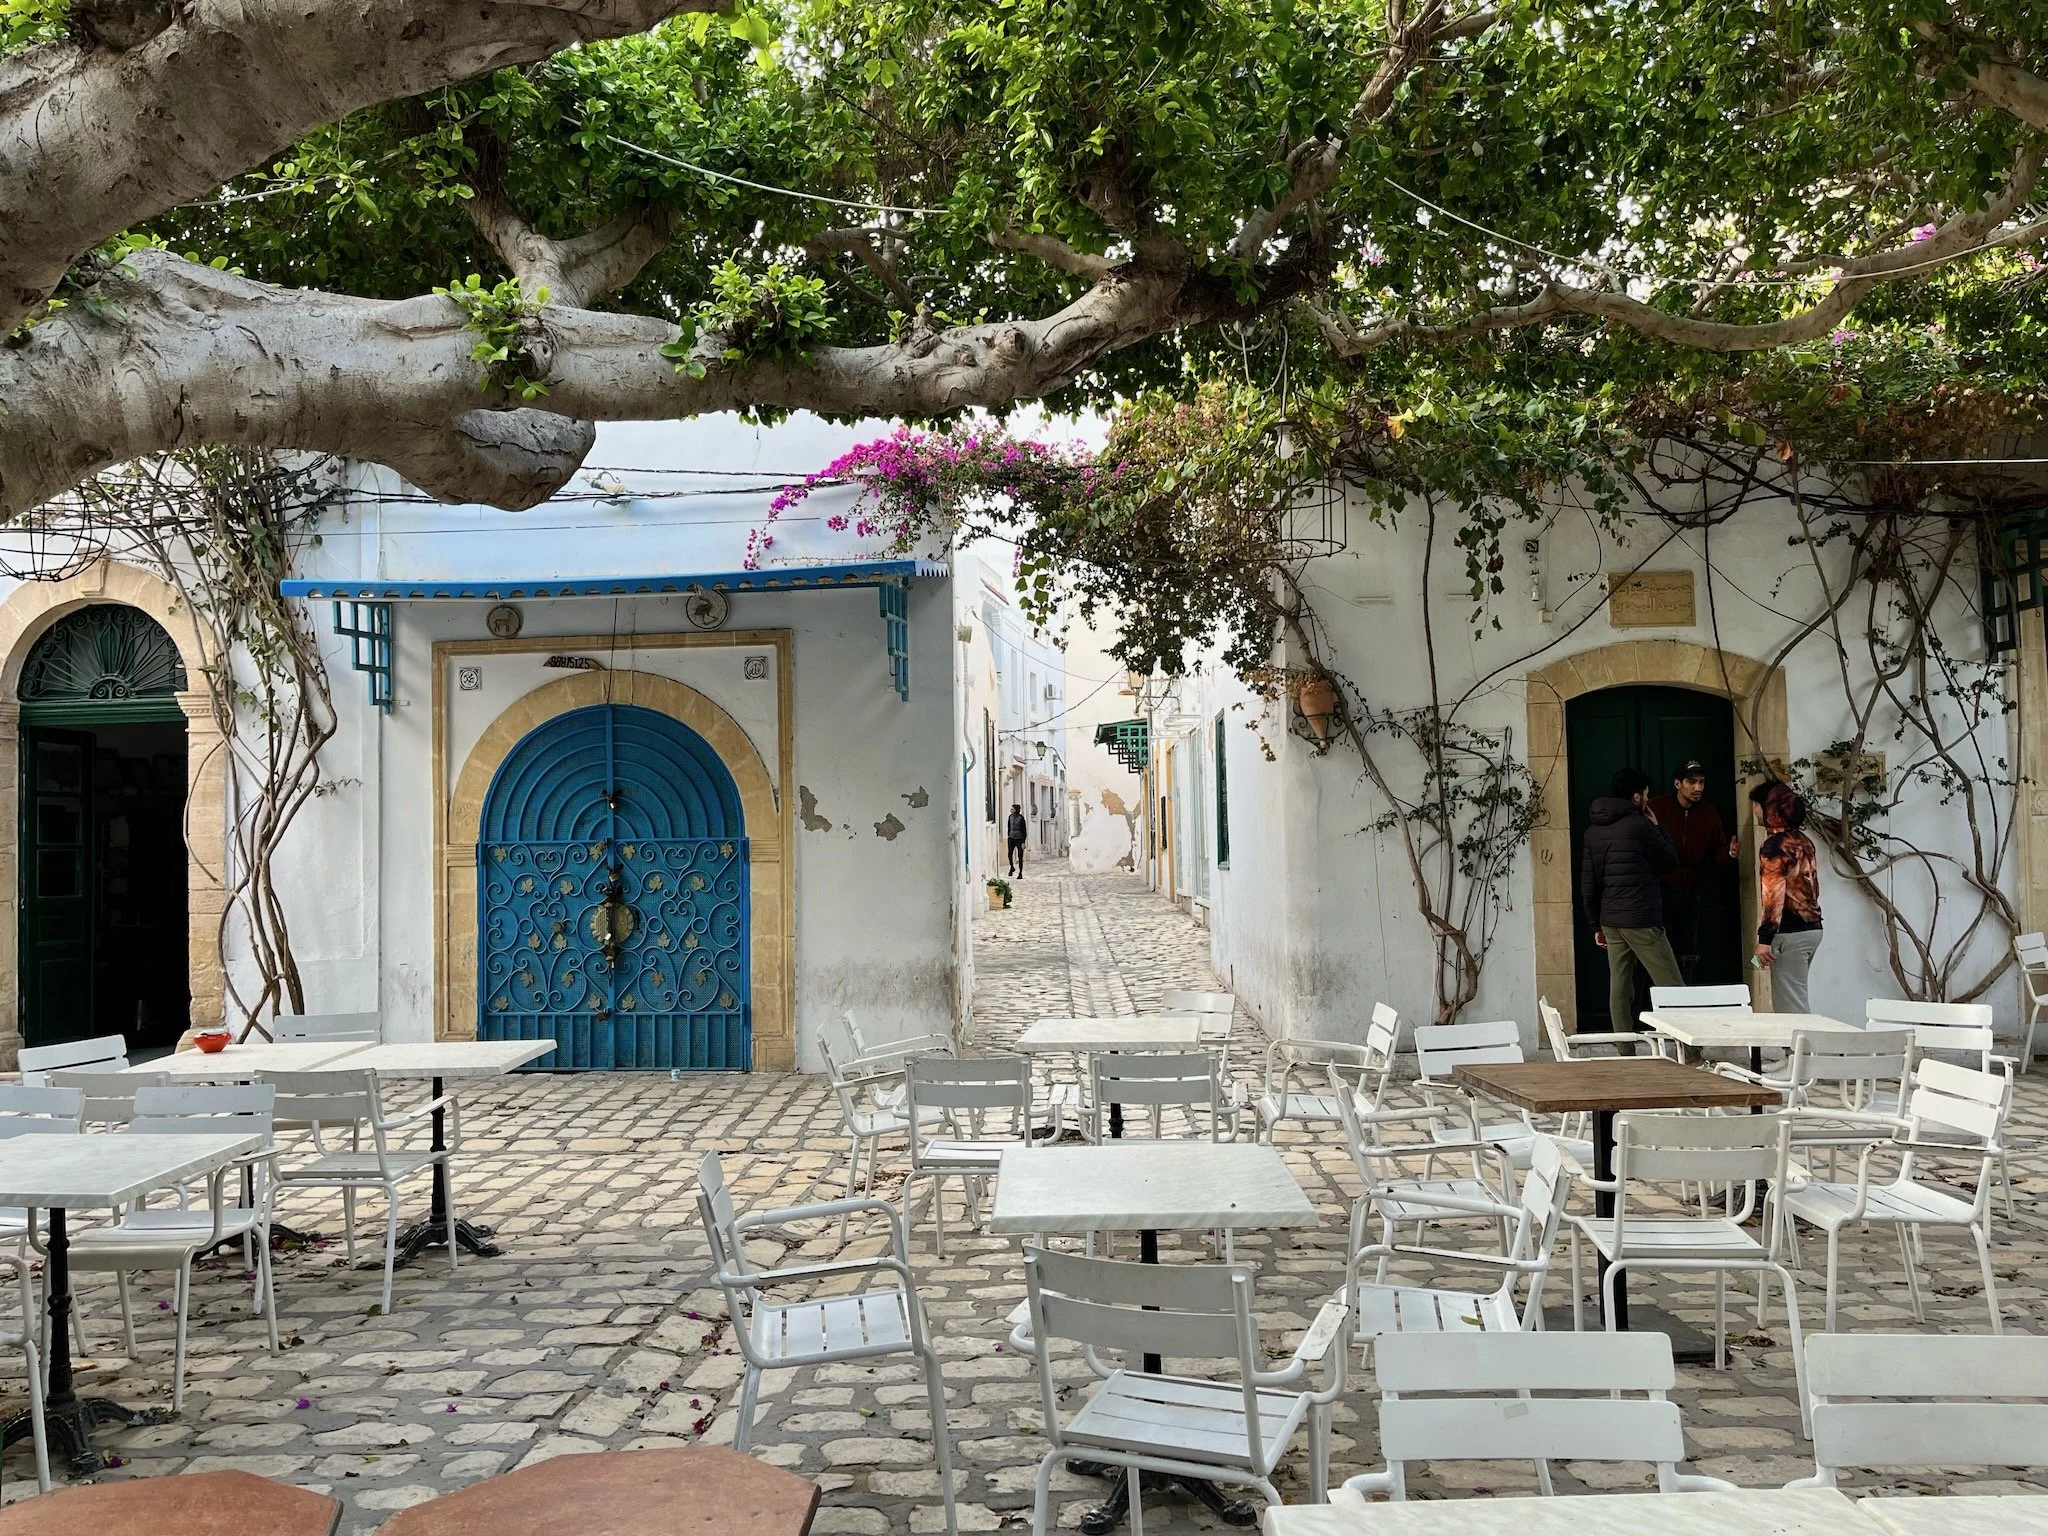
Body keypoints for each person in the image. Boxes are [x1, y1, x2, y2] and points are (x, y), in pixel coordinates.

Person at [1581, 767, 1685, 1044]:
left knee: (1620, 987)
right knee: (1672, 985)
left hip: (1611, 920)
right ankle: (1690, 1052)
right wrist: (1658, 827)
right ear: (1637, 796)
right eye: (1647, 795)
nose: (1648, 800)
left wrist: (1595, 924)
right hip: (1641, 917)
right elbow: (1670, 863)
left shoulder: (1593, 831)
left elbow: (1589, 884)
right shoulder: (1640, 826)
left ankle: (1625, 1051)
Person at [1649, 759, 1739, 983]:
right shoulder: (1657, 808)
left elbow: (1717, 849)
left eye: (1701, 782)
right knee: (1659, 948)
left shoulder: (1708, 813)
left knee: (1688, 948)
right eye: (1691, 782)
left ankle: (1685, 995)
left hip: (1692, 889)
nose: (1697, 787)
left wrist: (1729, 854)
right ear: (1678, 783)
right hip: (1660, 889)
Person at [1752, 781, 1823, 1011]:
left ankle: (1805, 1047)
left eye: (1756, 805)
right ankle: (1797, 1047)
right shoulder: (1804, 841)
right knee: (1794, 998)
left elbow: (1773, 895)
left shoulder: (1774, 847)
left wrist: (1765, 939)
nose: (1754, 811)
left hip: (1789, 934)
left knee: (1792, 1006)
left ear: (1769, 808)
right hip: (1812, 929)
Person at [1005, 802, 1028, 878]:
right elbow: (1009, 827)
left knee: (1020, 856)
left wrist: (1023, 842)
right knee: (1009, 854)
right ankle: (1012, 867)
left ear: (1016, 810)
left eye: (1012, 809)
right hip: (1011, 837)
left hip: (1019, 839)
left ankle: (1020, 872)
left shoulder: (1021, 818)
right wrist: (1009, 835)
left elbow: (1024, 830)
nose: (1011, 810)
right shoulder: (1010, 817)